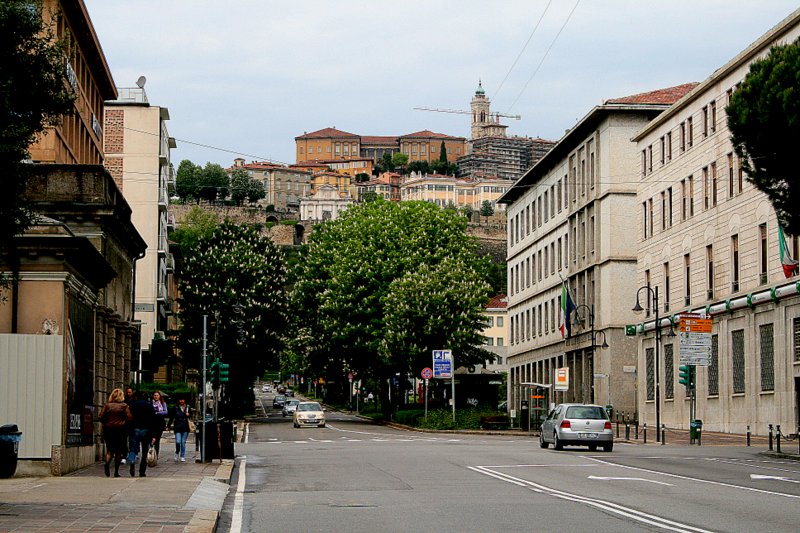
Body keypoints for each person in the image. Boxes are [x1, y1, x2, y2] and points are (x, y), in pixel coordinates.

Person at [98, 388, 132, 477]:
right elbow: (129, 418)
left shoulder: (107, 405)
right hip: (120, 430)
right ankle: (116, 472)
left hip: (109, 430)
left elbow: (100, 416)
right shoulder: (124, 406)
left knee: (110, 449)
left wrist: (106, 423)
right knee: (118, 451)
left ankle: (107, 463)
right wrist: (124, 422)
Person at [127, 391, 156, 477]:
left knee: (133, 448)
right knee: (144, 450)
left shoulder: (133, 405)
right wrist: (153, 434)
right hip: (146, 429)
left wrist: (129, 429)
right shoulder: (149, 406)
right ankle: (142, 471)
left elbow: (129, 418)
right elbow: (153, 420)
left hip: (135, 428)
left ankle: (132, 462)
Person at [167, 398, 192, 462]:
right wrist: (168, 425)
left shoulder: (188, 407)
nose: (181, 401)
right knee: (178, 442)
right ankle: (177, 452)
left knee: (183, 442)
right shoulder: (175, 408)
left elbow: (191, 415)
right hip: (177, 427)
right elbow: (172, 417)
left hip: (185, 427)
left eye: (183, 400)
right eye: (180, 400)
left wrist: (189, 414)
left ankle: (182, 456)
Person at [151, 391, 168, 460]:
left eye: (157, 395)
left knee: (157, 439)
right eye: (155, 395)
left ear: (159, 396)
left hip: (160, 423)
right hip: (152, 423)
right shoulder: (150, 403)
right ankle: (151, 452)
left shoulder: (163, 403)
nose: (156, 397)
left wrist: (158, 413)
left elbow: (165, 412)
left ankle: (156, 455)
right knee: (151, 439)